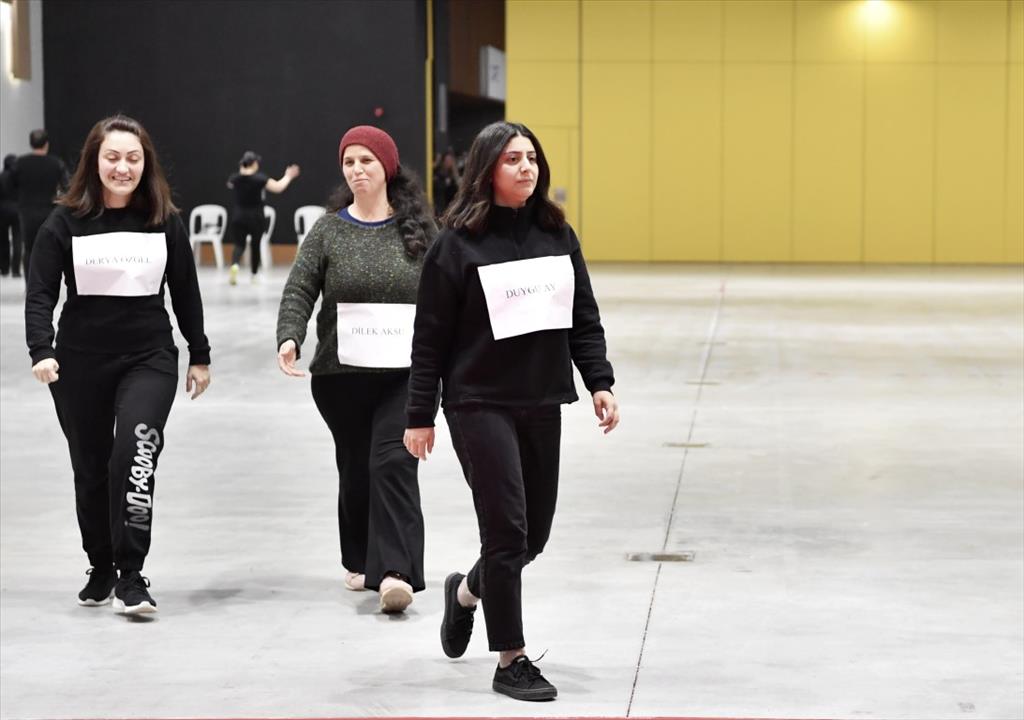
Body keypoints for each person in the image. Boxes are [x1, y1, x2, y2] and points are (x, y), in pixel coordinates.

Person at [403, 121, 620, 701]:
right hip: (477, 402)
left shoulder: (556, 233)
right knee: (505, 531)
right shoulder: (456, 244)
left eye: (532, 158)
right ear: (486, 170)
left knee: (532, 538)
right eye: (513, 159)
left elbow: (583, 317)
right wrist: (420, 413)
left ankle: (465, 594)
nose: (527, 168)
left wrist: (598, 381)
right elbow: (430, 337)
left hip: (541, 399)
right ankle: (510, 659)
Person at [25, 115, 211, 616]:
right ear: (94, 161)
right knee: (90, 469)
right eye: (112, 157)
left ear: (145, 164)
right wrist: (41, 349)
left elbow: (185, 290)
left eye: (133, 158)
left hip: (149, 359)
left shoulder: (163, 221)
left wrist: (199, 353)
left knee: (134, 456)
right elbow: (40, 292)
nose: (122, 167)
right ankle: (101, 565)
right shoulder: (64, 222)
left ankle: (131, 574)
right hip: (78, 364)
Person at [276, 126, 436, 614]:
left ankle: (396, 573)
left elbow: (447, 293)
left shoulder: (420, 230)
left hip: (404, 375)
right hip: (340, 377)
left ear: (387, 166)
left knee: (393, 461)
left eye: (366, 160)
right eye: (349, 162)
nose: (357, 169)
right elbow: (300, 287)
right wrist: (290, 335)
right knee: (356, 466)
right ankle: (361, 558)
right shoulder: (329, 230)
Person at [226, 151, 299, 285]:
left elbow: (230, 184)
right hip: (256, 217)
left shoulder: (235, 179)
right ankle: (254, 275)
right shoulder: (260, 179)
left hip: (238, 217)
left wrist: (242, 170)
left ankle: (235, 265)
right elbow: (278, 187)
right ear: (254, 164)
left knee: (239, 244)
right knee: (255, 245)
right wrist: (288, 176)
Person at [13, 129, 67, 277]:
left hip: (26, 211)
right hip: (49, 210)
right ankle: (47, 282)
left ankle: (29, 284)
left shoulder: (20, 163)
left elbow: (10, 185)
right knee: (49, 248)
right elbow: (67, 186)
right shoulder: (56, 163)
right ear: (47, 144)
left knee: (29, 248)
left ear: (31, 143)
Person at [0, 154, 18, 276]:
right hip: (17, 210)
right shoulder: (19, 178)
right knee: (18, 239)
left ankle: (4, 268)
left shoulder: (1, 176)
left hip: (2, 211)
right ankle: (16, 270)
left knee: (3, 240)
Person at [431, 148, 460, 217]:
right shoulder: (437, 175)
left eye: (450, 161)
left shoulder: (453, 177)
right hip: (439, 208)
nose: (448, 163)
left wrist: (455, 172)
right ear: (443, 161)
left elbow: (458, 189)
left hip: (450, 209)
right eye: (446, 161)